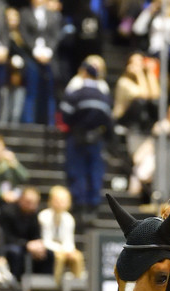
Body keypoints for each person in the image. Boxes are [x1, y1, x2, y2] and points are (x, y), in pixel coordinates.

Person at [59, 60, 113, 219]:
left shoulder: (76, 93)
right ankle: (93, 205)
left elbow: (65, 115)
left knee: (78, 171)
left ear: (84, 73)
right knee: (95, 171)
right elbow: (108, 119)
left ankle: (80, 204)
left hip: (77, 138)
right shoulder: (104, 95)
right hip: (96, 139)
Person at [0, 186, 54, 279]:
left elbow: (36, 234)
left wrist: (38, 244)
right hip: (10, 244)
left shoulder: (34, 214)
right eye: (28, 202)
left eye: (34, 203)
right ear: (21, 199)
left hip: (27, 245)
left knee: (48, 254)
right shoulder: (7, 211)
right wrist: (26, 244)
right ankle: (16, 284)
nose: (31, 206)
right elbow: (5, 236)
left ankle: (42, 285)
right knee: (15, 252)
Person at [38, 185, 85, 284]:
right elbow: (46, 240)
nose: (60, 204)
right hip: (48, 248)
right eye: (57, 200)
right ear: (50, 201)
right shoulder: (44, 216)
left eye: (63, 201)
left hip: (63, 249)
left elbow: (69, 240)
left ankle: (78, 283)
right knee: (60, 257)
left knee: (77, 257)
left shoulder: (69, 218)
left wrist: (69, 250)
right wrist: (62, 250)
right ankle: (56, 283)